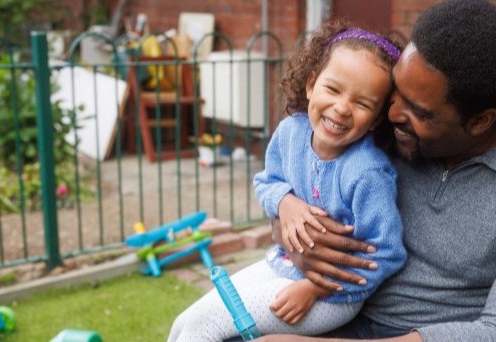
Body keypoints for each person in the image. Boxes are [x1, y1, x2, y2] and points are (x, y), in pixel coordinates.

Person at [259, 0, 496, 341]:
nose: (391, 114)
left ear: (480, 122)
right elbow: (294, 180)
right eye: (396, 91)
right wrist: (289, 230)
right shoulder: (376, 124)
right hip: (332, 307)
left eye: (418, 111)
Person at [168, 21, 407, 341]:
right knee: (186, 321)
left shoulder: (367, 173)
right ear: (311, 85)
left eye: (362, 103)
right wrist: (285, 202)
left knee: (207, 327)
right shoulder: (291, 132)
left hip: (333, 296)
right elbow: (267, 181)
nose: (341, 107)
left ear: (377, 118)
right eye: (333, 89)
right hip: (281, 263)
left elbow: (386, 252)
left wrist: (313, 287)